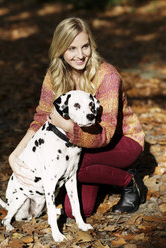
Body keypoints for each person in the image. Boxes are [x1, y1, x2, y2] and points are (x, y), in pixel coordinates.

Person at [8, 17, 147, 218]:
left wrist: (64, 124)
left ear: (92, 46)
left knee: (76, 165)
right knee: (76, 211)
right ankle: (100, 174)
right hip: (82, 146)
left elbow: (105, 134)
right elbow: (40, 119)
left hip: (121, 141)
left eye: (85, 47)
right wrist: (15, 154)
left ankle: (129, 181)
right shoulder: (54, 75)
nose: (80, 55)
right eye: (71, 48)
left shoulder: (107, 76)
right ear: (60, 49)